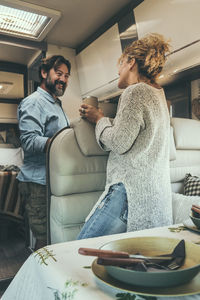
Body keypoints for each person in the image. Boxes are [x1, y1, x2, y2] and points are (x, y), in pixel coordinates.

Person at [77, 33, 173, 239]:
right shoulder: (159, 95)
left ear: (131, 62)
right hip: (153, 197)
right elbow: (138, 134)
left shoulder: (135, 92)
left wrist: (99, 119)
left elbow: (119, 142)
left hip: (129, 194)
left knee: (79, 251)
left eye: (120, 64)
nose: (118, 70)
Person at [17, 55, 71, 250]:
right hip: (37, 182)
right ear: (43, 73)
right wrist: (64, 143)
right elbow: (29, 141)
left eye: (66, 75)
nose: (63, 79)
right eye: (58, 73)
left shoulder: (56, 104)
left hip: (52, 180)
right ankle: (37, 279)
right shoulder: (34, 102)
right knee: (43, 239)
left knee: (53, 236)